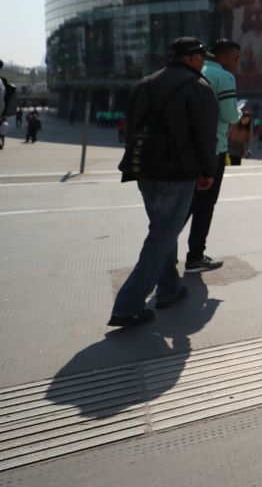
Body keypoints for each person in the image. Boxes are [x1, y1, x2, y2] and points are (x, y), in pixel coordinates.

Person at [108, 37, 217, 327]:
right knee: (162, 235)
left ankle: (169, 289)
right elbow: (206, 136)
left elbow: (130, 129)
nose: (204, 61)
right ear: (193, 57)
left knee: (162, 230)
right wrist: (208, 170)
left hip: (143, 169)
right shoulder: (199, 87)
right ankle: (127, 305)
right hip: (177, 172)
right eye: (202, 56)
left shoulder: (144, 84)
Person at [183, 39, 240, 272]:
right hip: (214, 148)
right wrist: (239, 111)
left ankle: (163, 252)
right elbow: (229, 115)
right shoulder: (224, 78)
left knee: (184, 203)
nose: (237, 64)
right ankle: (195, 256)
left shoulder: (195, 72)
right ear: (223, 57)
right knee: (205, 204)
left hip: (188, 147)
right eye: (235, 58)